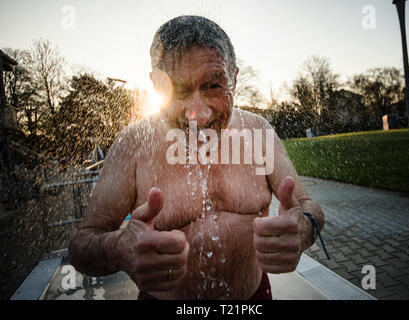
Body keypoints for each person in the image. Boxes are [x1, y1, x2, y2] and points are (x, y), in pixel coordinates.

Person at [68, 15, 325, 300]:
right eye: (178, 90)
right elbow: (81, 245)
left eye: (213, 86)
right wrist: (118, 248)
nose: (197, 114)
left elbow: (309, 207)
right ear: (156, 85)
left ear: (234, 79)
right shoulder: (134, 143)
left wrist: (303, 229)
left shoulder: (257, 132)